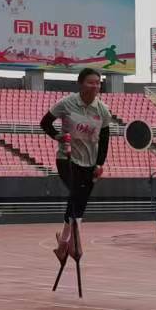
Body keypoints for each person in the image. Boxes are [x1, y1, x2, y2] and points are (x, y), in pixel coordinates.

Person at [39, 67, 112, 264]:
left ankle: (63, 244)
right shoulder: (67, 103)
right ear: (80, 84)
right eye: (90, 82)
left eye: (98, 83)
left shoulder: (102, 110)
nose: (95, 86)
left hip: (90, 162)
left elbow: (105, 139)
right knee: (75, 194)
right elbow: (45, 123)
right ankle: (74, 242)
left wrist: (100, 163)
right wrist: (58, 136)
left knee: (80, 201)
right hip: (67, 158)